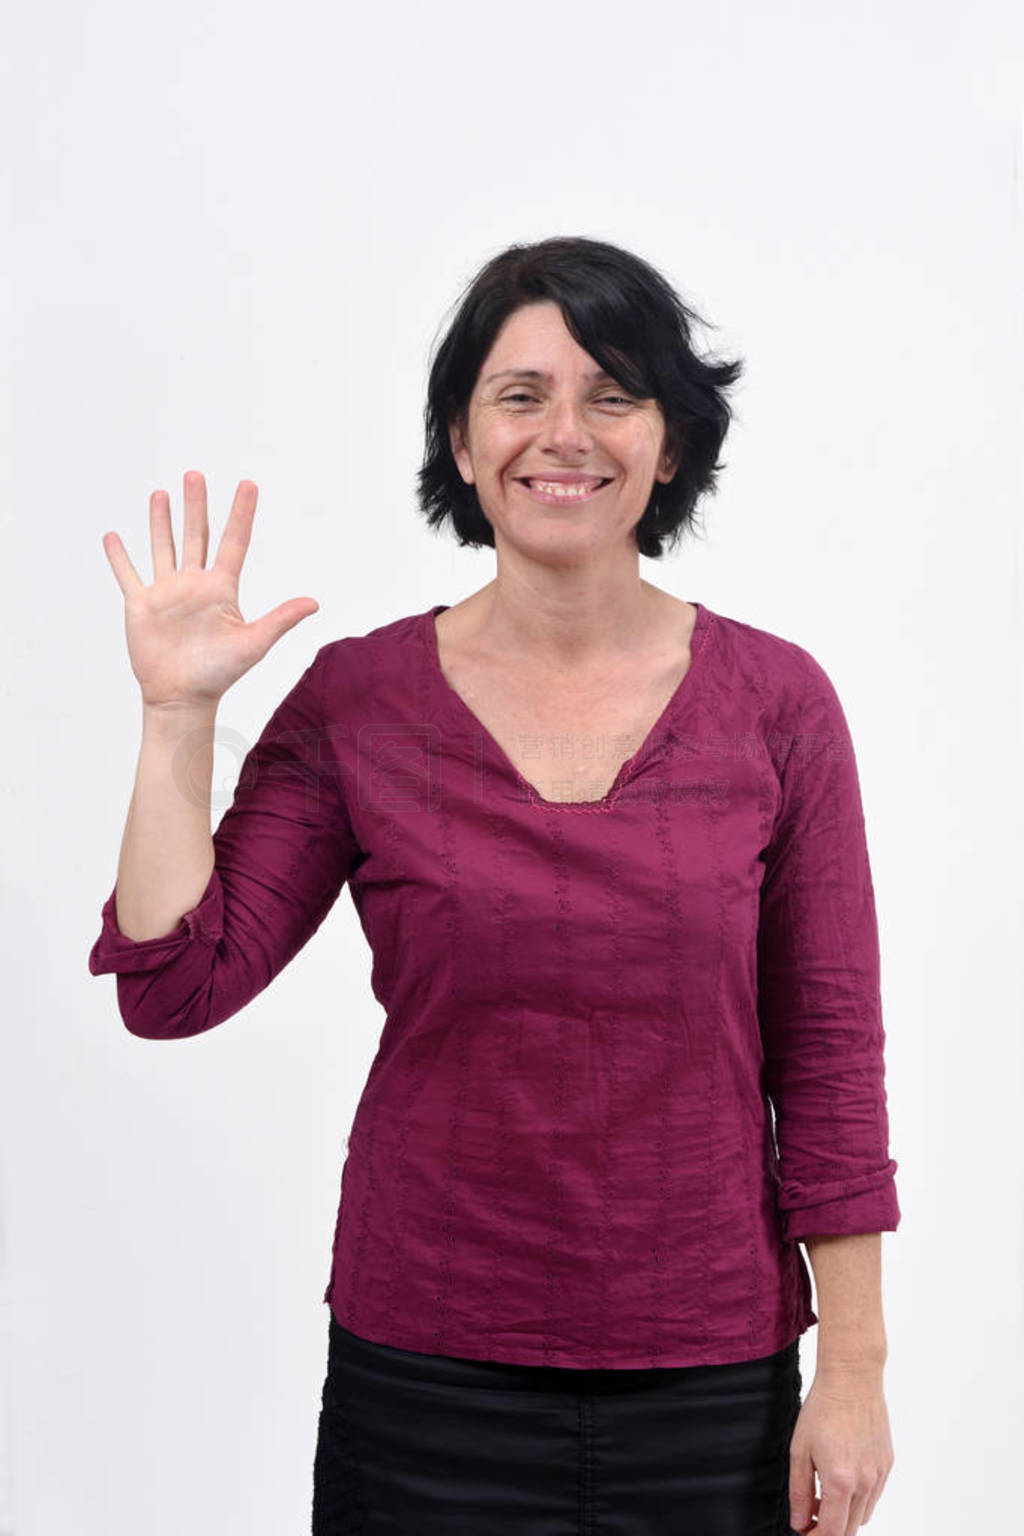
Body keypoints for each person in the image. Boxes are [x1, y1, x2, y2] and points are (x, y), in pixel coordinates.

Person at [88, 235, 900, 1535]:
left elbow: (830, 1060)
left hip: (713, 1385)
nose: (563, 433)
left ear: (671, 444)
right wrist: (178, 716)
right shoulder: (360, 702)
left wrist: (852, 1367)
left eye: (613, 393)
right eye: (520, 396)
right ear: (462, 443)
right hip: (424, 1380)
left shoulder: (779, 706)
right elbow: (178, 981)